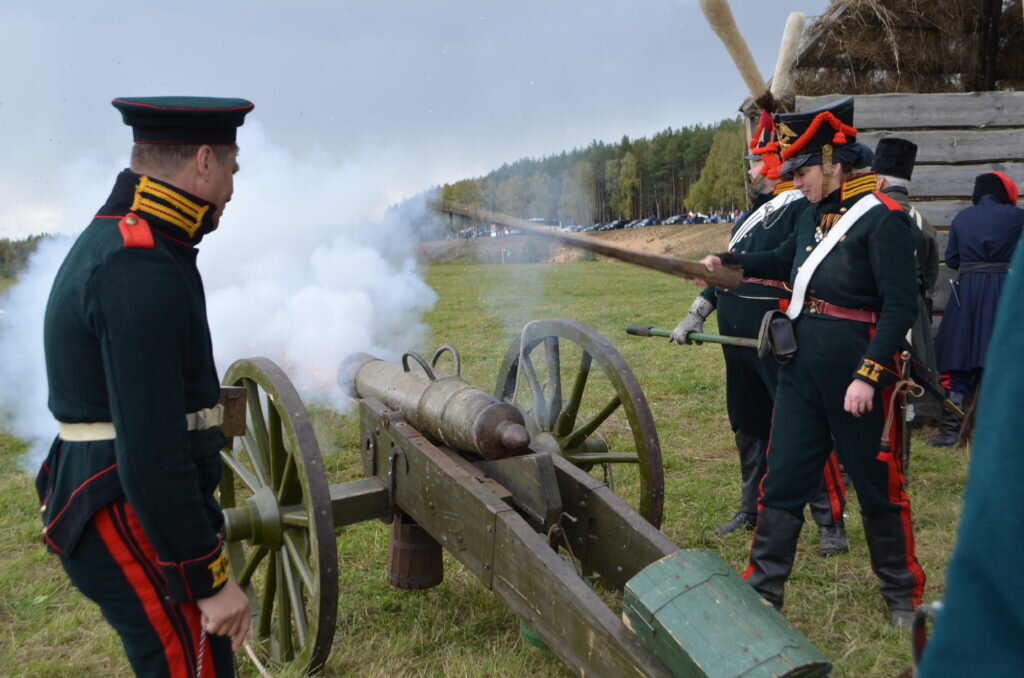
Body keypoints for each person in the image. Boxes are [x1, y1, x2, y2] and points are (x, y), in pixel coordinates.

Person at [36, 96, 254, 677]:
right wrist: (205, 580)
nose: (234, 183)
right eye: (233, 165)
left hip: (121, 496)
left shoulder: (137, 243)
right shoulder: (140, 267)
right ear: (204, 161)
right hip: (127, 507)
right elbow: (153, 451)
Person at [700, 97, 926, 627]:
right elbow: (782, 261)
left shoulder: (885, 219)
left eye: (801, 172)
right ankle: (763, 589)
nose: (794, 182)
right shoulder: (807, 212)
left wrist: (870, 373)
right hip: (800, 366)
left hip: (856, 370)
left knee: (877, 487)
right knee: (782, 477)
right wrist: (729, 262)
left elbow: (900, 308)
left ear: (832, 162)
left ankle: (901, 596)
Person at [671, 109, 848, 557]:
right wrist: (698, 312)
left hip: (776, 337)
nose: (749, 170)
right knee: (749, 424)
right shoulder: (749, 217)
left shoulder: (804, 210)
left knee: (800, 429)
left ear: (773, 164)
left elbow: (795, 267)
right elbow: (729, 271)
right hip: (737, 341)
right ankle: (751, 507)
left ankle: (830, 522)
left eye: (754, 162)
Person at [916, 224, 1024, 675]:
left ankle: (950, 424)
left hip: (975, 286)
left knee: (965, 370)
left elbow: (952, 258)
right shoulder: (1014, 220)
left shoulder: (961, 221)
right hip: (999, 286)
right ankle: (955, 425)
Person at [930, 171, 1024, 446]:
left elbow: (953, 259)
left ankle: (950, 432)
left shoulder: (962, 218)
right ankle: (998, 434)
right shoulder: (1019, 217)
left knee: (959, 360)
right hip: (1006, 292)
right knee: (1006, 361)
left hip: (968, 294)